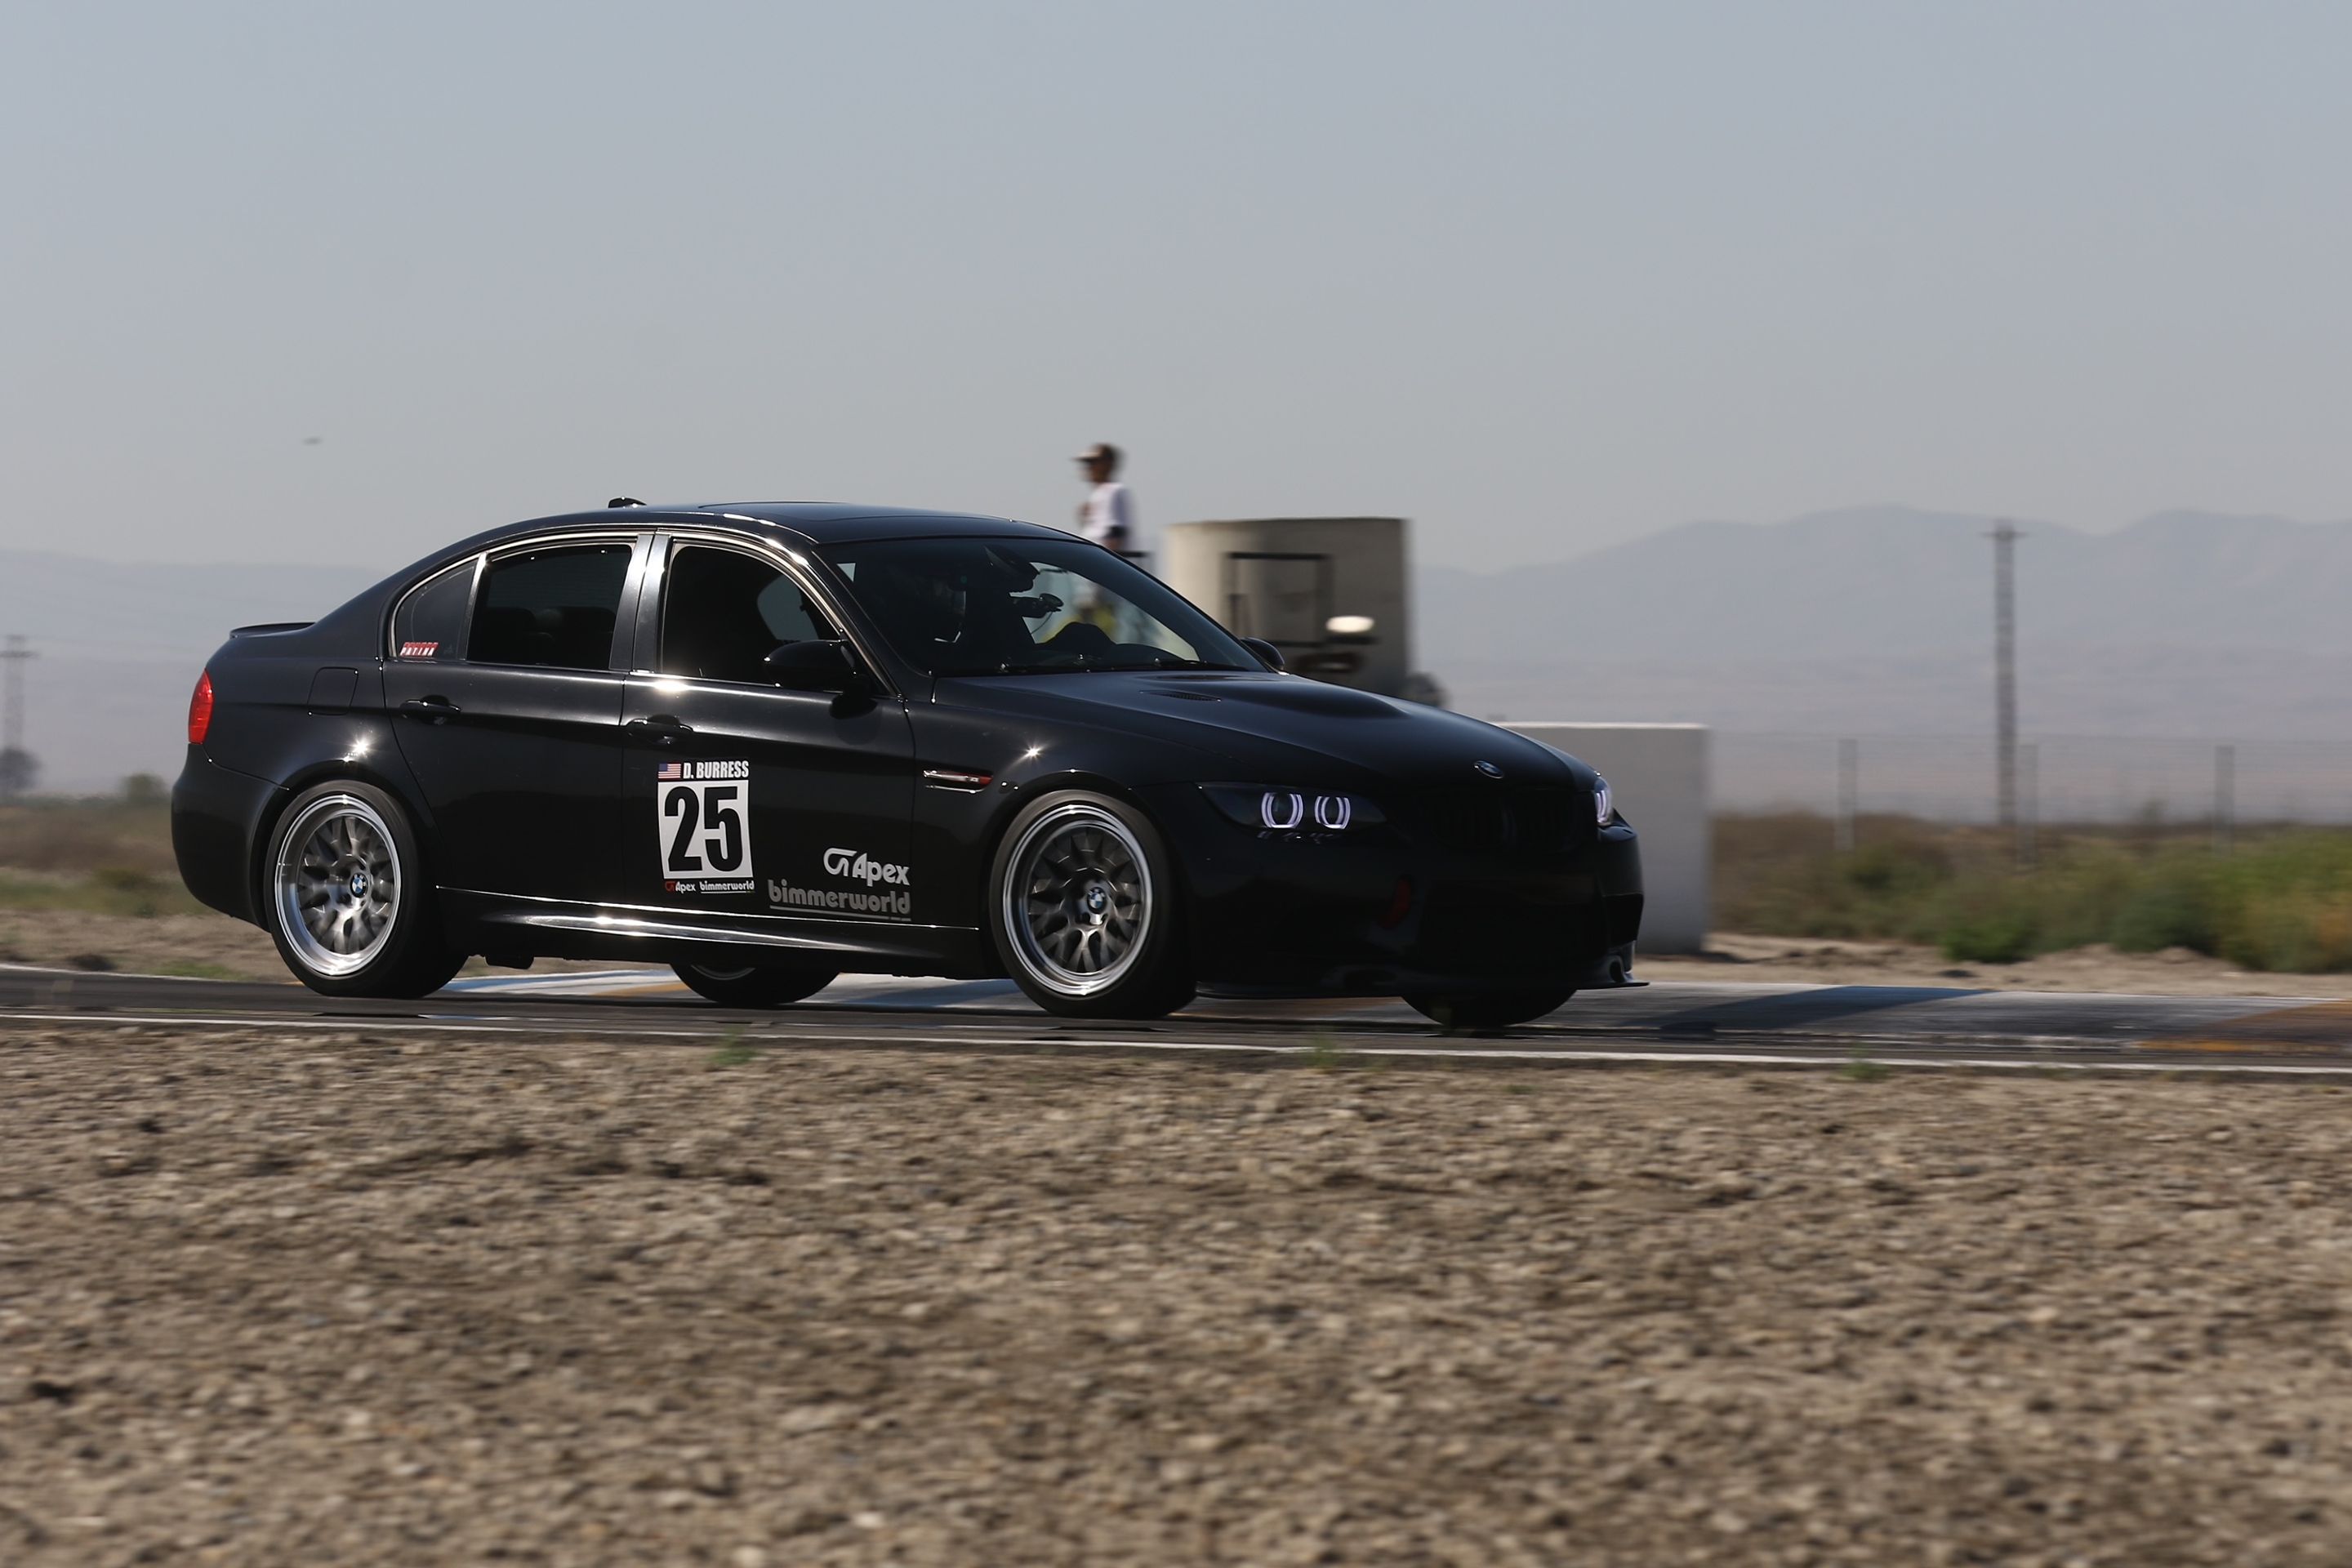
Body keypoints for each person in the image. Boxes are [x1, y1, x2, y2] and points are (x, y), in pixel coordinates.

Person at [1074, 443, 1135, 559]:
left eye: (1093, 463)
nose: (1089, 468)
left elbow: (1115, 533)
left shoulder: (1113, 491)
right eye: (1087, 464)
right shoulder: (1100, 494)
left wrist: (1109, 563)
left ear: (1108, 463)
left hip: (1104, 564)